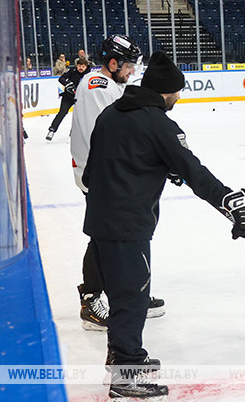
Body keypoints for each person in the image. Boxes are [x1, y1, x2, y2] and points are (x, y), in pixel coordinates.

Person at [83, 50, 245, 399]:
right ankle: (126, 375)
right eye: (178, 92)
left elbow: (93, 170)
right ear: (166, 92)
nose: (179, 97)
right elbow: (193, 170)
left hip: (101, 219)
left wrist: (155, 165)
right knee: (132, 297)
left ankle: (122, 357)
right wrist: (231, 201)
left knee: (124, 292)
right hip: (127, 225)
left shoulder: (110, 113)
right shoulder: (158, 123)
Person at [70, 35, 164, 331]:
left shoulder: (108, 85)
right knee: (104, 237)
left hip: (106, 173)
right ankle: (91, 299)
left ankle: (129, 294)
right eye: (128, 66)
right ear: (112, 63)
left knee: (119, 235)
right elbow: (112, 134)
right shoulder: (99, 86)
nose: (132, 72)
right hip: (99, 175)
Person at [47, 58, 90, 141]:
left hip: (81, 98)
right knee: (62, 112)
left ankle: (73, 132)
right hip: (68, 96)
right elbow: (61, 78)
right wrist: (67, 84)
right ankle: (52, 130)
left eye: (83, 66)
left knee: (80, 116)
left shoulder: (89, 75)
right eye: (79, 66)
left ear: (86, 67)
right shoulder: (72, 71)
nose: (80, 68)